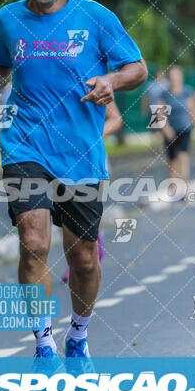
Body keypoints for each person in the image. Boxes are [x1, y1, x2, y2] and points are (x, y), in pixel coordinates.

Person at [0, 0, 147, 358]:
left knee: (84, 257)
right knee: (33, 241)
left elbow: (137, 68)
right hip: (24, 144)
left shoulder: (96, 17)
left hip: (81, 152)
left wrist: (110, 80)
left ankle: (79, 335)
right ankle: (44, 342)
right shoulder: (8, 20)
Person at [61, 100, 123, 283]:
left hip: (91, 161)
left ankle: (97, 243)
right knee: (63, 217)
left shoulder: (94, 80)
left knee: (89, 214)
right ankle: (72, 263)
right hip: (59, 160)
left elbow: (116, 119)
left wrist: (90, 137)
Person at [159, 66, 195, 185]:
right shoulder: (164, 94)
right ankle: (172, 184)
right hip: (170, 129)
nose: (174, 79)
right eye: (172, 76)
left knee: (183, 156)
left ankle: (184, 183)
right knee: (172, 160)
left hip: (184, 128)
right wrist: (165, 129)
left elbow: (193, 111)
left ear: (181, 77)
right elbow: (160, 114)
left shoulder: (187, 92)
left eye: (176, 76)